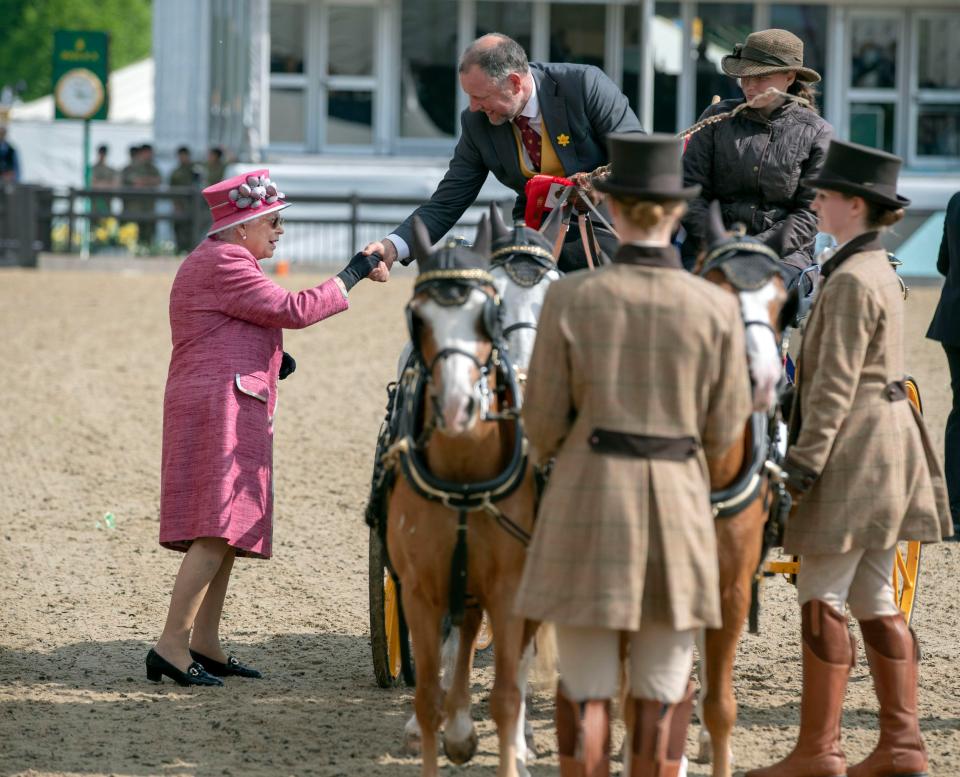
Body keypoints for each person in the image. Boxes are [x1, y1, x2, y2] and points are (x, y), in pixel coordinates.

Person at [514, 134, 752, 776]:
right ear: (676, 214)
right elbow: (729, 427)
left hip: (589, 502)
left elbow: (540, 426)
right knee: (662, 692)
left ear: (613, 210)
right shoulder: (715, 306)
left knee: (586, 686)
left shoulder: (569, 298)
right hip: (678, 506)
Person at [747, 140, 952, 777]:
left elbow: (832, 385)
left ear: (855, 205)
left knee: (822, 593)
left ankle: (818, 749)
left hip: (853, 447)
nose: (817, 201)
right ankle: (902, 744)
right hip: (889, 441)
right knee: (874, 593)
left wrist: (802, 468)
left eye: (827, 195)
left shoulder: (850, 278)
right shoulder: (878, 269)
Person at [147, 169, 381, 687]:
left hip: (220, 399)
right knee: (215, 527)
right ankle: (171, 644)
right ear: (241, 227)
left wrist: (272, 356)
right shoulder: (227, 261)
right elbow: (291, 309)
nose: (279, 232)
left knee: (223, 531)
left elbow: (229, 324)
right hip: (220, 406)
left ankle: (203, 642)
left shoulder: (214, 259)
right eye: (272, 222)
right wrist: (355, 272)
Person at [361, 33, 643, 276]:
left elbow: (639, 159)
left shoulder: (585, 85)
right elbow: (448, 200)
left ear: (515, 83)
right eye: (469, 96)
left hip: (604, 226)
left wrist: (598, 186)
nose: (473, 107)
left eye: (480, 97)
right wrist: (392, 246)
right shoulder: (475, 123)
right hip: (531, 234)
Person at [680, 29, 833, 280]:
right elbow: (690, 191)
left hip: (783, 257)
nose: (749, 86)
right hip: (709, 247)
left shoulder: (817, 132)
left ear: (790, 77)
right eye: (744, 77)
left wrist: (757, 248)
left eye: (761, 77)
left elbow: (810, 213)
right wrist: (719, 242)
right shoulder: (715, 119)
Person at [927, 192, 960, 541]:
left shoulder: (955, 200)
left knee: (959, 415)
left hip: (954, 320)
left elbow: (942, 263)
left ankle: (955, 511)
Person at [169, 145, 201, 252]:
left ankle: (192, 249)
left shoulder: (196, 170)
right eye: (181, 156)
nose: (183, 158)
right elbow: (172, 190)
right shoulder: (176, 172)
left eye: (184, 155)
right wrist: (176, 205)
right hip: (180, 205)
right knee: (179, 229)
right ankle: (179, 249)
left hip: (194, 206)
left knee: (193, 230)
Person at [91, 144, 117, 220]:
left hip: (107, 204)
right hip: (95, 205)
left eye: (104, 153)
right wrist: (107, 184)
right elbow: (93, 184)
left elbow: (115, 185)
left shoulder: (111, 170)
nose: (102, 155)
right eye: (101, 153)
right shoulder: (92, 168)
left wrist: (100, 184)